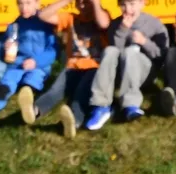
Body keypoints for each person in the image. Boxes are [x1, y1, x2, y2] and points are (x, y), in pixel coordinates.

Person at [19, 0, 111, 139]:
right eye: (79, 2)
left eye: (86, 2)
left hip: (95, 67)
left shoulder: (102, 15)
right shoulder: (70, 18)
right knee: (55, 90)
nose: (82, 6)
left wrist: (95, 4)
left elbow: (104, 24)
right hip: (72, 67)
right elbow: (43, 15)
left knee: (81, 93)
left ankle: (74, 121)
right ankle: (34, 111)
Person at [0, 0, 59, 126]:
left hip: (38, 67)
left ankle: (27, 97)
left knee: (33, 79)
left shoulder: (46, 25)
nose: (24, 8)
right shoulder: (14, 26)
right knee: (5, 86)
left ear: (37, 4)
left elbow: (53, 50)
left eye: (28, 3)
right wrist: (6, 48)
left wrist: (36, 61)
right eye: (20, 4)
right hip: (17, 65)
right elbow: (2, 53)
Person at [85, 0, 168, 130]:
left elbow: (161, 55)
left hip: (144, 73)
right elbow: (116, 51)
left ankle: (131, 104)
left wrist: (144, 42)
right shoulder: (116, 24)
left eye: (132, 4)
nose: (127, 9)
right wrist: (122, 30)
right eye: (123, 5)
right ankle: (101, 106)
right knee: (109, 50)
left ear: (142, 3)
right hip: (121, 74)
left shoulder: (154, 23)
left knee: (130, 52)